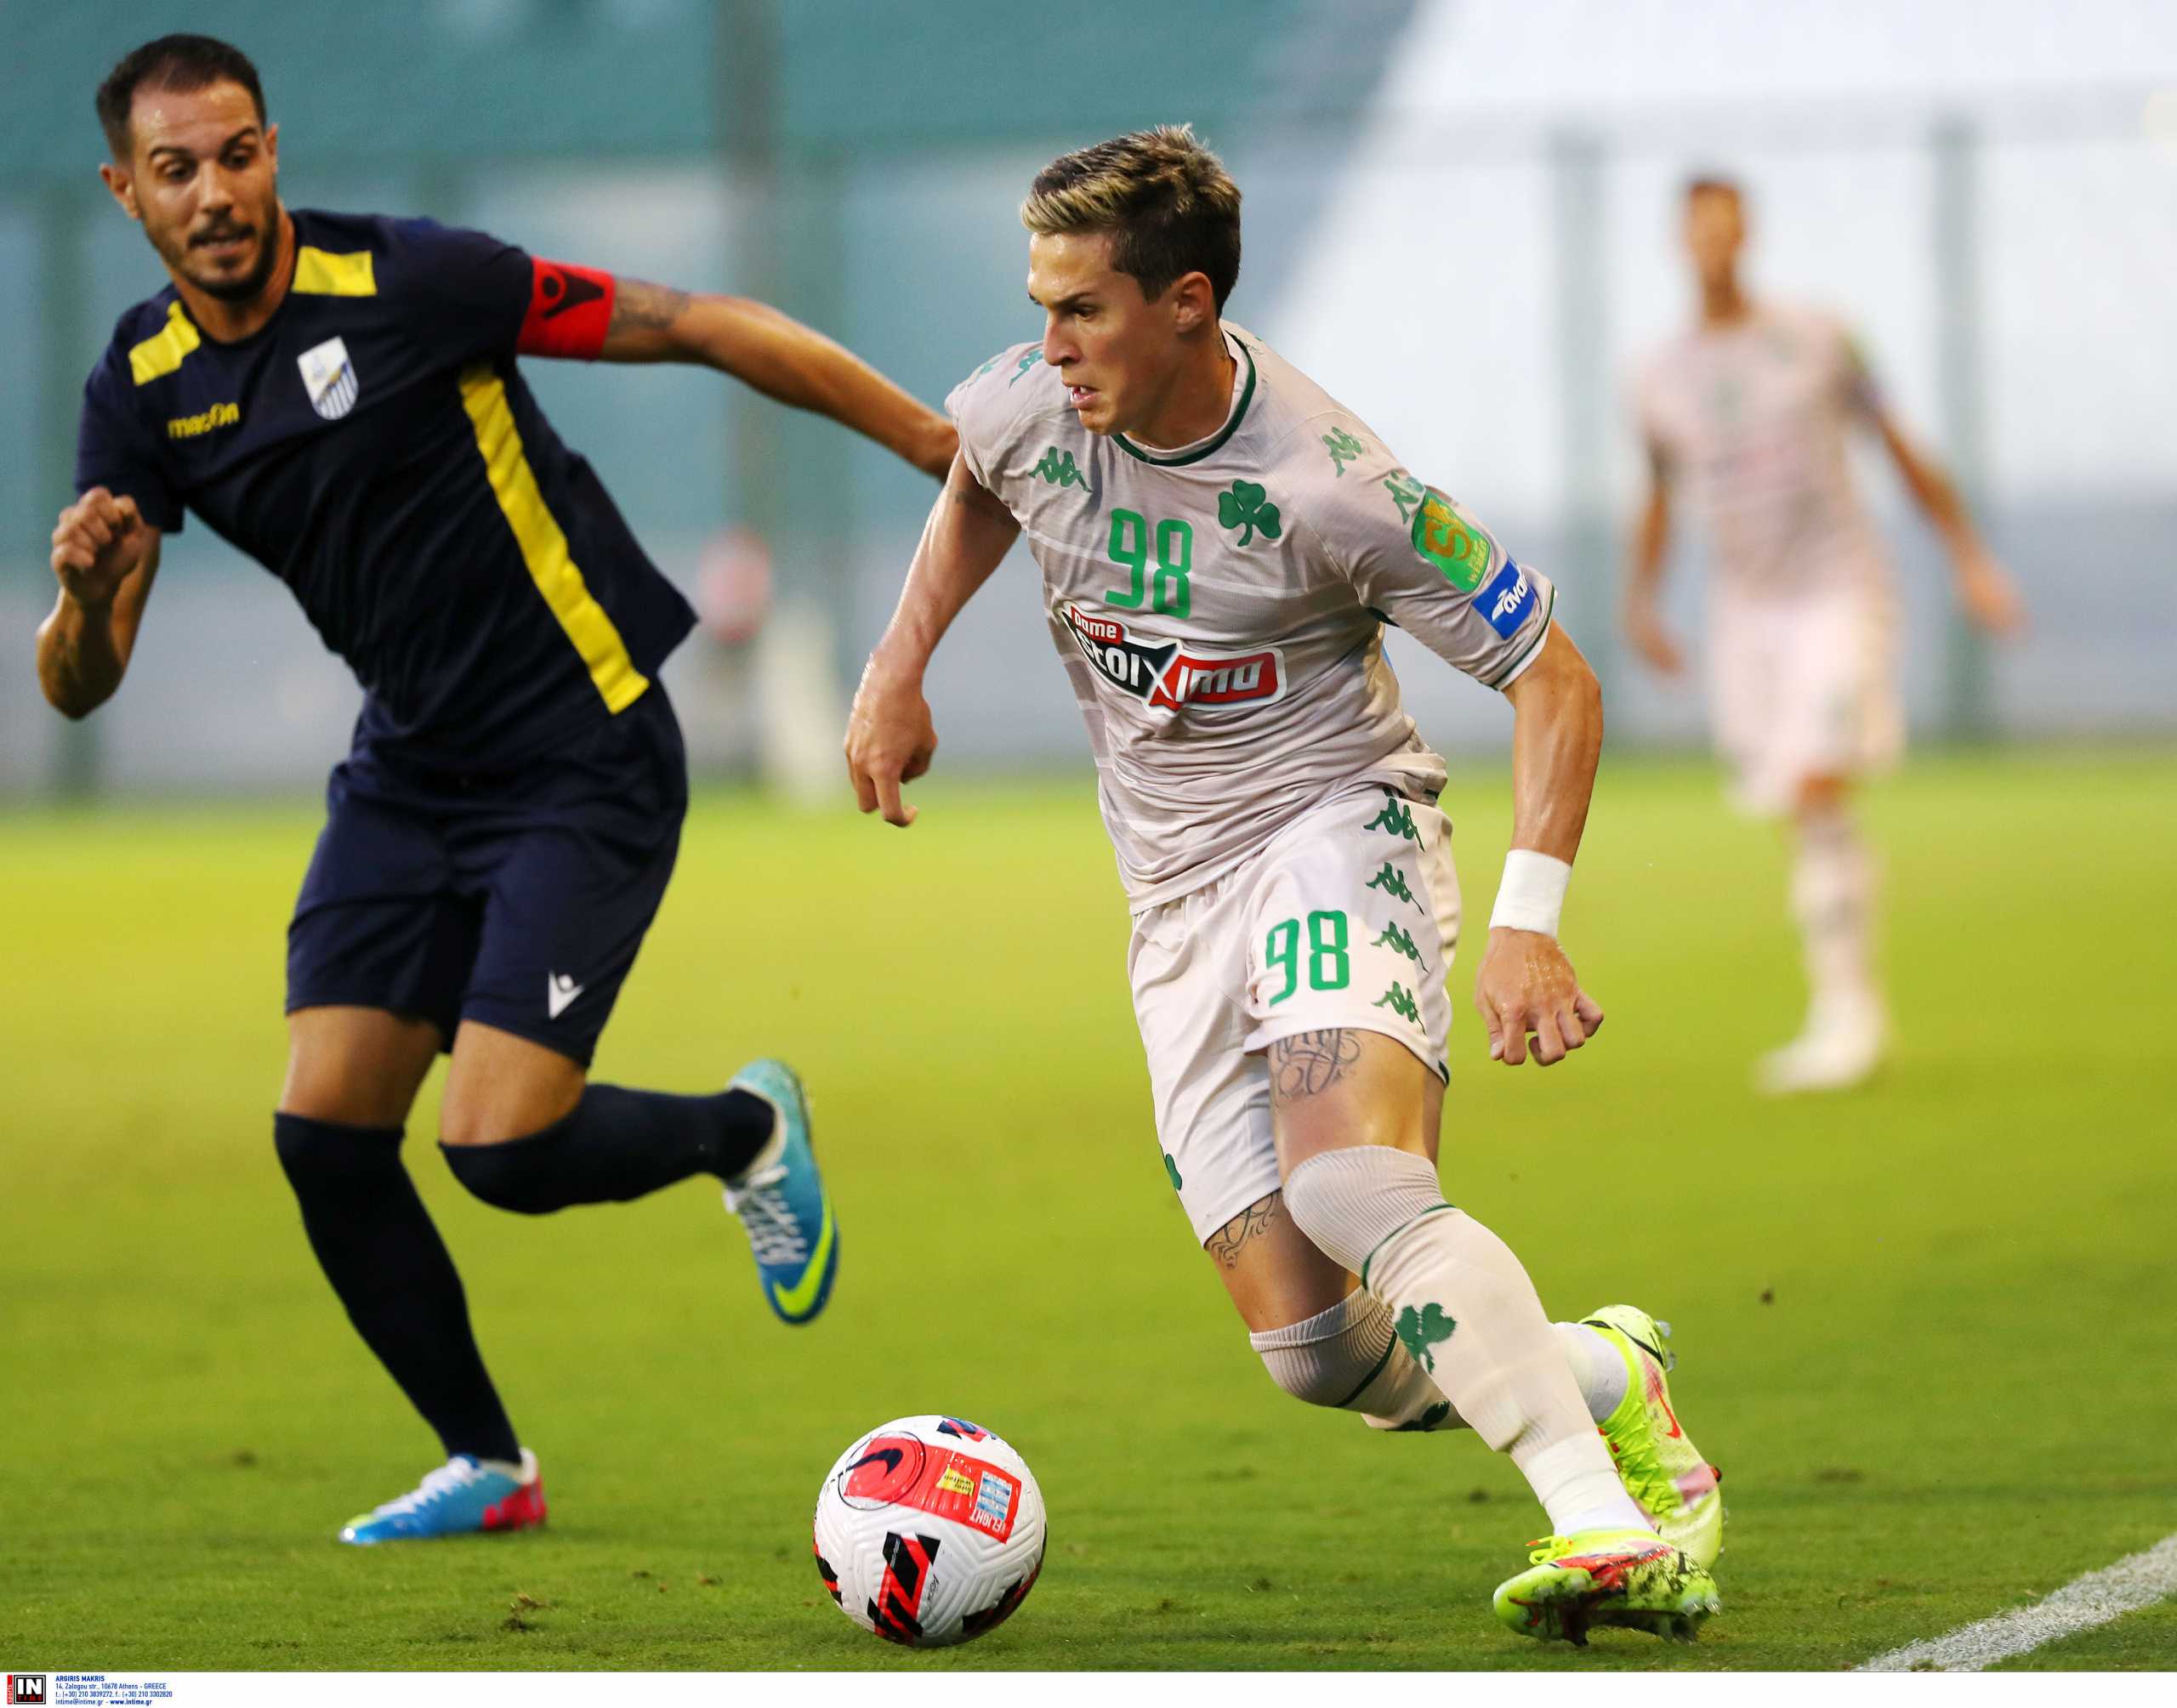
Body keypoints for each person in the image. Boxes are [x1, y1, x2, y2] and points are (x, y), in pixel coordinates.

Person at [41, 34, 954, 1545]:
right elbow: (84, 682)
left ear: (274, 150)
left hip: (582, 747)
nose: (214, 193)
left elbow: (699, 323)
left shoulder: (413, 281)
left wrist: (936, 446)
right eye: (175, 169)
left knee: (500, 1150)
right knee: (325, 1137)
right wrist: (80, 599)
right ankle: (487, 1462)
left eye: (237, 154)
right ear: (124, 191)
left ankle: (744, 1130)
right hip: (409, 772)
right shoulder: (138, 388)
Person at [844, 125, 1722, 1646]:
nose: (1049, 347)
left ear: (1187, 301)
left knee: (1352, 1182)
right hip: (1174, 894)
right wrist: (895, 665)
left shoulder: (1335, 484)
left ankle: (1606, 1524)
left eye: (1084, 310)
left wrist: (1527, 924)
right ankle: (1606, 1372)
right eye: (1041, 306)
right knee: (1317, 1351)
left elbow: (1555, 677)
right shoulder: (1026, 401)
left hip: (1335, 823)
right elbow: (980, 474)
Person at [1625, 175, 2025, 1094]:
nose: (1714, 245)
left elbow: (1897, 442)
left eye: (1727, 228)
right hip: (1744, 608)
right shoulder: (1658, 373)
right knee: (1799, 805)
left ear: (1747, 234)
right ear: (1681, 242)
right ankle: (1845, 1006)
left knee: (1816, 780)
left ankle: (1849, 1014)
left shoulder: (1817, 336)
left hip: (1837, 588)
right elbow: (1657, 489)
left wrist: (1969, 557)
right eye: (1699, 231)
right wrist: (1642, 601)